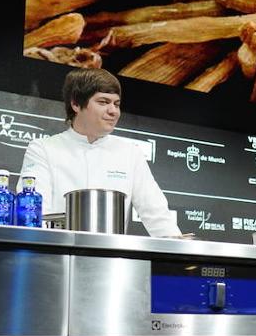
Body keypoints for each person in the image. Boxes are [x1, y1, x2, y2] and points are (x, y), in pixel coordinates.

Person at [19, 69, 181, 237]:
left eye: (116, 104)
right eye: (103, 102)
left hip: (111, 252)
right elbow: (34, 214)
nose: (113, 111)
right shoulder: (43, 149)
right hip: (56, 250)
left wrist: (176, 247)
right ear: (76, 104)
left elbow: (157, 214)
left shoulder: (130, 153)